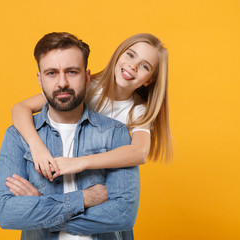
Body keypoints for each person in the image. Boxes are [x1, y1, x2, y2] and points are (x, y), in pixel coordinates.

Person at [0, 32, 140, 239]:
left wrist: (39, 206)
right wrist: (84, 198)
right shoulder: (18, 136)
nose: (62, 83)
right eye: (52, 73)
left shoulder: (114, 133)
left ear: (87, 77)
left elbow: (123, 216)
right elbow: (7, 214)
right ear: (40, 79)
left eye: (72, 72)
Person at [12, 33, 172, 181]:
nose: (133, 66)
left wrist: (81, 162)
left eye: (145, 66)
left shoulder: (138, 111)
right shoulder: (86, 87)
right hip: (55, 169)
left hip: (91, 177)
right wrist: (37, 147)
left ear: (149, 80)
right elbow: (20, 108)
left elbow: (139, 152)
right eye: (130, 55)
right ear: (118, 54)